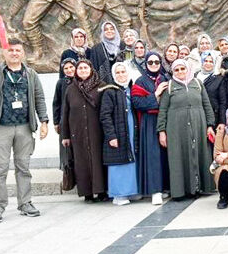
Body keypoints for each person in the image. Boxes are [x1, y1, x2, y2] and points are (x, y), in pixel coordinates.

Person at [0, 39, 49, 223]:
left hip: (24, 127)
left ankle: (25, 203)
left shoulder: (30, 74)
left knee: (23, 168)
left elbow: (39, 97)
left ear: (23, 53)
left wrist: (44, 121)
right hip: (1, 127)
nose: (14, 53)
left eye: (18, 50)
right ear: (4, 53)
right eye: (11, 50)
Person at [157, 59, 216, 200]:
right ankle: (181, 191)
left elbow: (207, 105)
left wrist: (210, 125)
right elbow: (163, 110)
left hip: (198, 124)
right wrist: (162, 131)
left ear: (187, 69)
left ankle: (200, 187)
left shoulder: (197, 84)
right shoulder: (169, 86)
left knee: (199, 154)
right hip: (176, 128)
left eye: (182, 69)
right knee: (178, 157)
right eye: (176, 70)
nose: (180, 72)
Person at [60, 59, 107, 202]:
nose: (83, 71)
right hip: (78, 131)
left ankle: (101, 191)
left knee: (98, 160)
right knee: (82, 162)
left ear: (91, 69)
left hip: (96, 130)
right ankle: (87, 192)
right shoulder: (71, 89)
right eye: (80, 68)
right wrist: (65, 135)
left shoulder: (101, 86)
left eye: (86, 68)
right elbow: (65, 113)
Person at [131, 51, 170, 205]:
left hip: (166, 120)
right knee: (153, 156)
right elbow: (138, 103)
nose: (154, 65)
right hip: (149, 123)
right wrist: (156, 94)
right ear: (146, 64)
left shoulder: (166, 78)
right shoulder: (140, 81)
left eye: (156, 62)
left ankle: (166, 187)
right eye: (150, 62)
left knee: (166, 155)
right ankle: (155, 190)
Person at [100, 62, 139, 206]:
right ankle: (118, 194)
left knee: (131, 161)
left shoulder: (130, 89)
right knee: (118, 163)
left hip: (131, 129)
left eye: (123, 72)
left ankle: (131, 191)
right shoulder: (110, 91)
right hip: (118, 131)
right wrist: (111, 136)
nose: (121, 75)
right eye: (118, 73)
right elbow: (105, 115)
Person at [52, 58, 77, 136]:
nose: (69, 70)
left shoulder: (82, 81)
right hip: (65, 119)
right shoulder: (61, 83)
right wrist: (56, 122)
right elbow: (56, 103)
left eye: (71, 67)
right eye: (66, 68)